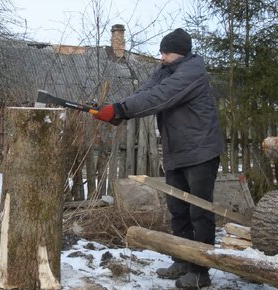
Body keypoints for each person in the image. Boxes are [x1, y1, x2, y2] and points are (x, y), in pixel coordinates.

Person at [93, 28, 224, 289]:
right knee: (178, 211)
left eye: (166, 52)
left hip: (201, 151)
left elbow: (160, 97)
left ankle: (200, 271)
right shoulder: (166, 70)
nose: (161, 57)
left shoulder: (192, 73)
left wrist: (119, 109)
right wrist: (117, 112)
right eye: (161, 52)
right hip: (176, 151)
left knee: (200, 211)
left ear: (181, 53)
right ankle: (182, 260)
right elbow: (145, 93)